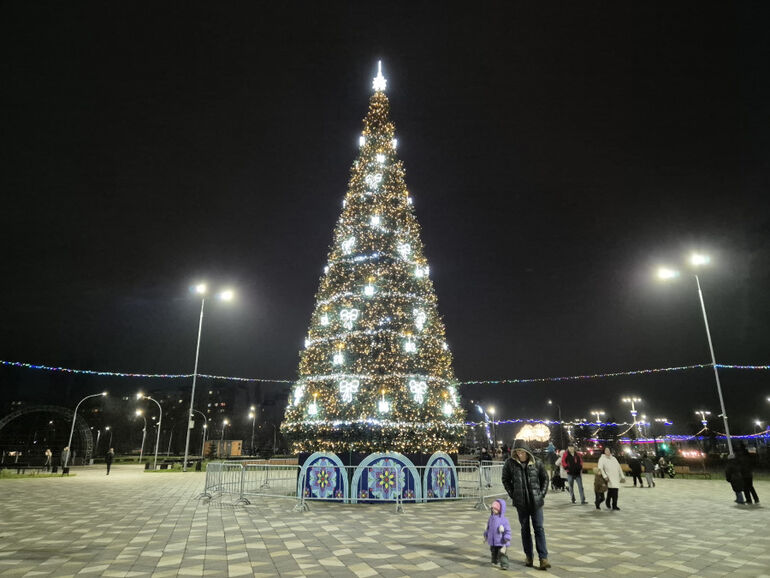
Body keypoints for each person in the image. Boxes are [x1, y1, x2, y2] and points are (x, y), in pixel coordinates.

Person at [502, 439, 551, 570]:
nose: (520, 454)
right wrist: (513, 494)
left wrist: (541, 494)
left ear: (527, 451)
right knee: (525, 530)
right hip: (521, 503)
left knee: (539, 528)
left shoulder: (537, 462)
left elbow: (545, 478)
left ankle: (543, 558)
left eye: (522, 452)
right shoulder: (510, 464)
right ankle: (529, 556)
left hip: (536, 502)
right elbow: (505, 479)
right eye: (517, 452)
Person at [483, 498, 512, 569]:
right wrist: (486, 535)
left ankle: (504, 564)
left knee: (502, 553)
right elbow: (488, 528)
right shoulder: (491, 518)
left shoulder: (504, 520)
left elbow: (507, 530)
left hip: (501, 541)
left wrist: (507, 537)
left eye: (495, 509)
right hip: (493, 541)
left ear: (500, 509)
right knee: (493, 551)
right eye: (492, 508)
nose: (493, 510)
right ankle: (494, 561)